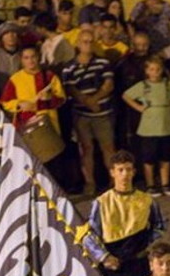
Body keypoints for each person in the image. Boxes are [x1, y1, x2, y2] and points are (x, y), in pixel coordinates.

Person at [82, 148, 165, 276]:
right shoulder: (102, 203)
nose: (125, 174)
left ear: (134, 171)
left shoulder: (146, 200)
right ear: (112, 172)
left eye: (128, 169)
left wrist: (146, 243)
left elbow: (160, 225)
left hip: (140, 265)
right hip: (114, 267)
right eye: (120, 170)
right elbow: (89, 235)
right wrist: (104, 257)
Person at [123, 53, 170, 195]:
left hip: (165, 126)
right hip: (149, 128)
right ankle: (150, 184)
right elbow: (126, 96)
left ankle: (165, 184)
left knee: (165, 156)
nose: (155, 72)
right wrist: (138, 107)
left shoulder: (167, 84)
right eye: (151, 69)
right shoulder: (143, 86)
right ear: (146, 71)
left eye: (157, 69)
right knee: (149, 158)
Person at [62, 30, 115, 194]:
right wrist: (88, 102)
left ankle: (114, 181)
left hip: (102, 113)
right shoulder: (69, 67)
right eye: (85, 41)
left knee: (108, 148)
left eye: (91, 41)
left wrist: (95, 99)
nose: (88, 44)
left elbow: (108, 84)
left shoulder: (103, 63)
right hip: (82, 115)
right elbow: (70, 89)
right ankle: (89, 183)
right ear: (77, 44)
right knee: (86, 149)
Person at [0, 44, 66, 131]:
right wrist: (19, 104)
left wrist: (49, 98)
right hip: (25, 124)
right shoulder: (15, 79)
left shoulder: (50, 76)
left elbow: (61, 99)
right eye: (26, 58)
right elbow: (5, 102)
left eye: (33, 57)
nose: (30, 60)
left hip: (48, 123)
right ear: (21, 60)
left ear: (38, 57)